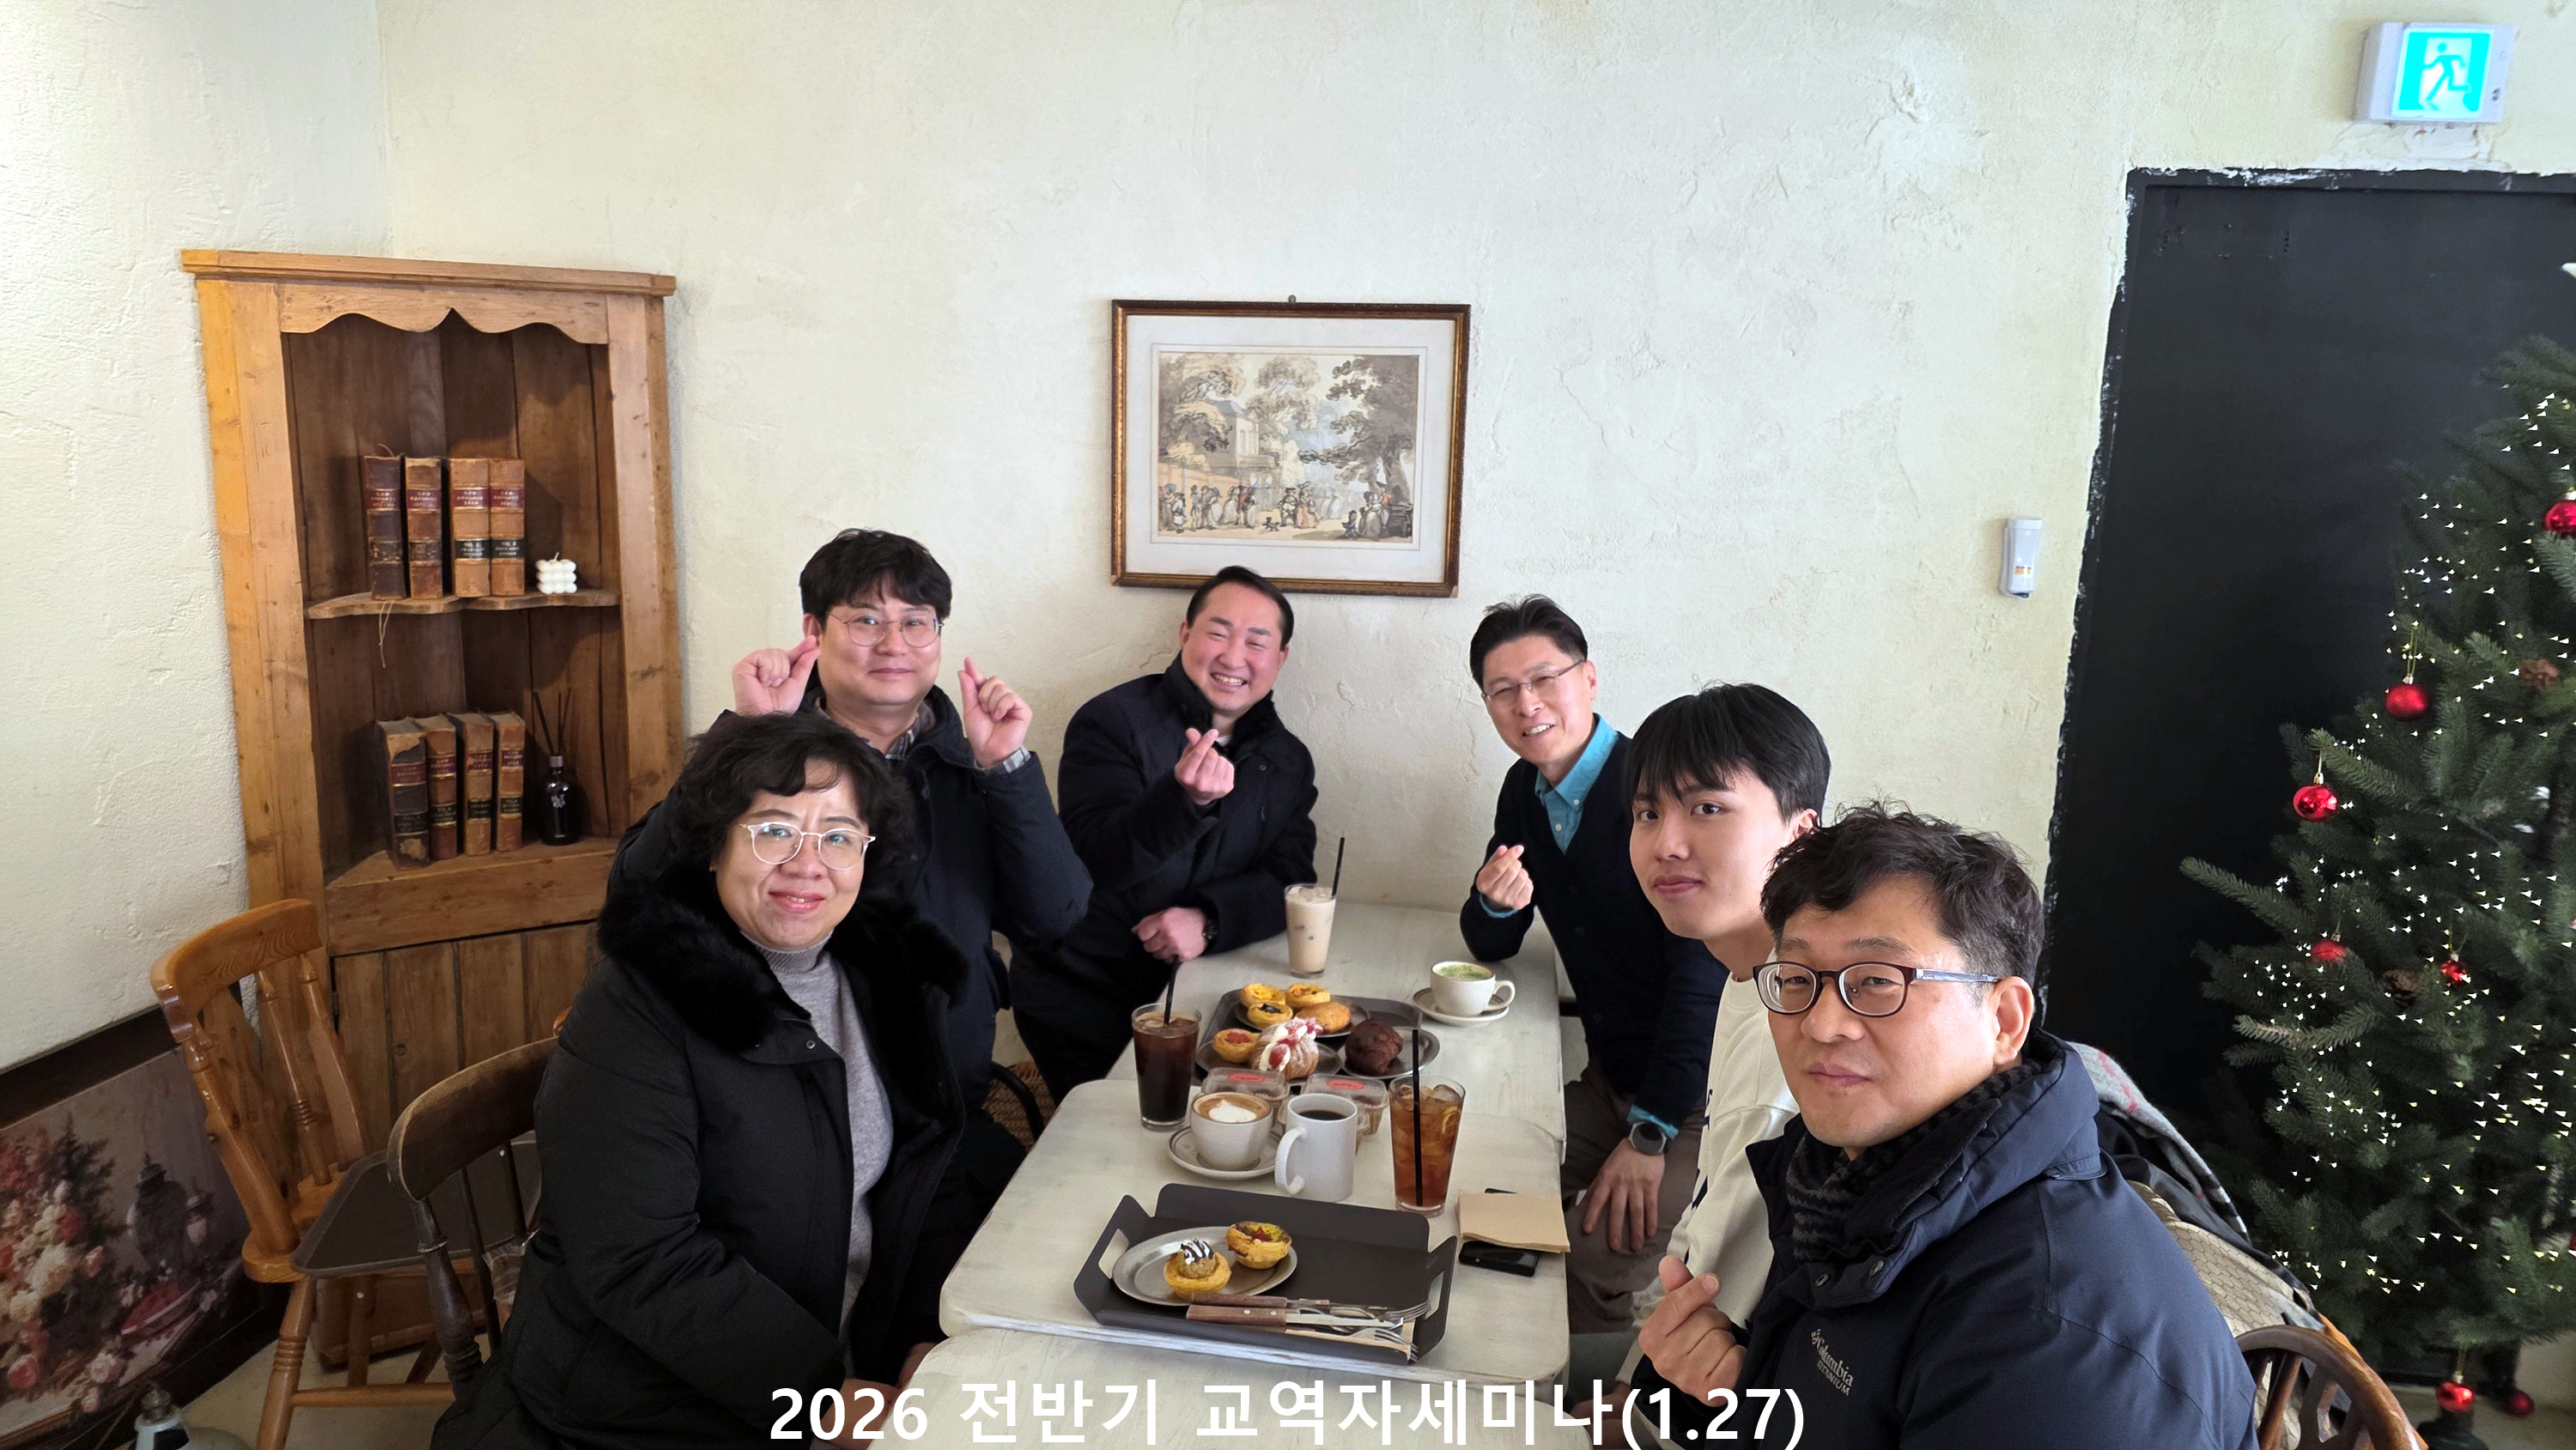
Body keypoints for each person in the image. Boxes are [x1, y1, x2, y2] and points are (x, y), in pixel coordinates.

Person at [1631, 806, 2257, 1449]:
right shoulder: (1844, 1186)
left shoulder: (2051, 1342)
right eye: (1796, 979)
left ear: (2005, 1020)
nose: (1821, 1023)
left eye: (1877, 981)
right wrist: (1725, 1396)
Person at [436, 712, 969, 1450]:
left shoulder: (881, 975)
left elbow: (925, 1173)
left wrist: (924, 1333)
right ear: (715, 843)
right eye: (775, 830)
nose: (808, 863)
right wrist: (817, 1400)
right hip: (645, 1409)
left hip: (841, 1364)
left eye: (839, 835)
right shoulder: (638, 1002)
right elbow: (640, 1256)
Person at [625, 528, 1091, 1113]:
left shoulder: (974, 763)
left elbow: (1056, 918)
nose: (894, 644)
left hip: (945, 1087)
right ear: (814, 629)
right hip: (781, 1082)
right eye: (867, 620)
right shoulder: (765, 751)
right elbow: (638, 883)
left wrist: (1005, 768)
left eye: (916, 621)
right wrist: (747, 735)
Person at [1455, 604, 1782, 1336]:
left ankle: (1574, 1388)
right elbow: (1489, 941)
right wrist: (1496, 902)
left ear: (1590, 678)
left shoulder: (1653, 788)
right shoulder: (1523, 792)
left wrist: (1649, 1135)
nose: (1527, 703)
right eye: (1503, 689)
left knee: (1597, 1257)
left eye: (1545, 678)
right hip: (1610, 1079)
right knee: (1477, 1188)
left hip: (1691, 1100)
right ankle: (1474, 1354)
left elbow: (1701, 976)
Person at [1585, 683, 1826, 1384]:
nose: (1667, 843)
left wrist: (1625, 1410)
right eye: (1648, 812)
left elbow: (1715, 1314)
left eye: (1707, 808)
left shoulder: (1800, 1031)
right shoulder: (1751, 968)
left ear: (1800, 832)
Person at [1010, 565, 1318, 1100]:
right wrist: (1184, 801)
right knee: (1118, 1132)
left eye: (1256, 642)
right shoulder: (1112, 721)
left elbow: (1292, 881)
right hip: (1083, 989)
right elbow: (1092, 861)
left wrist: (1209, 920)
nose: (1233, 657)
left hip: (1205, 993)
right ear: (1185, 634)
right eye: (1218, 633)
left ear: (1281, 657)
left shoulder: (1287, 759)